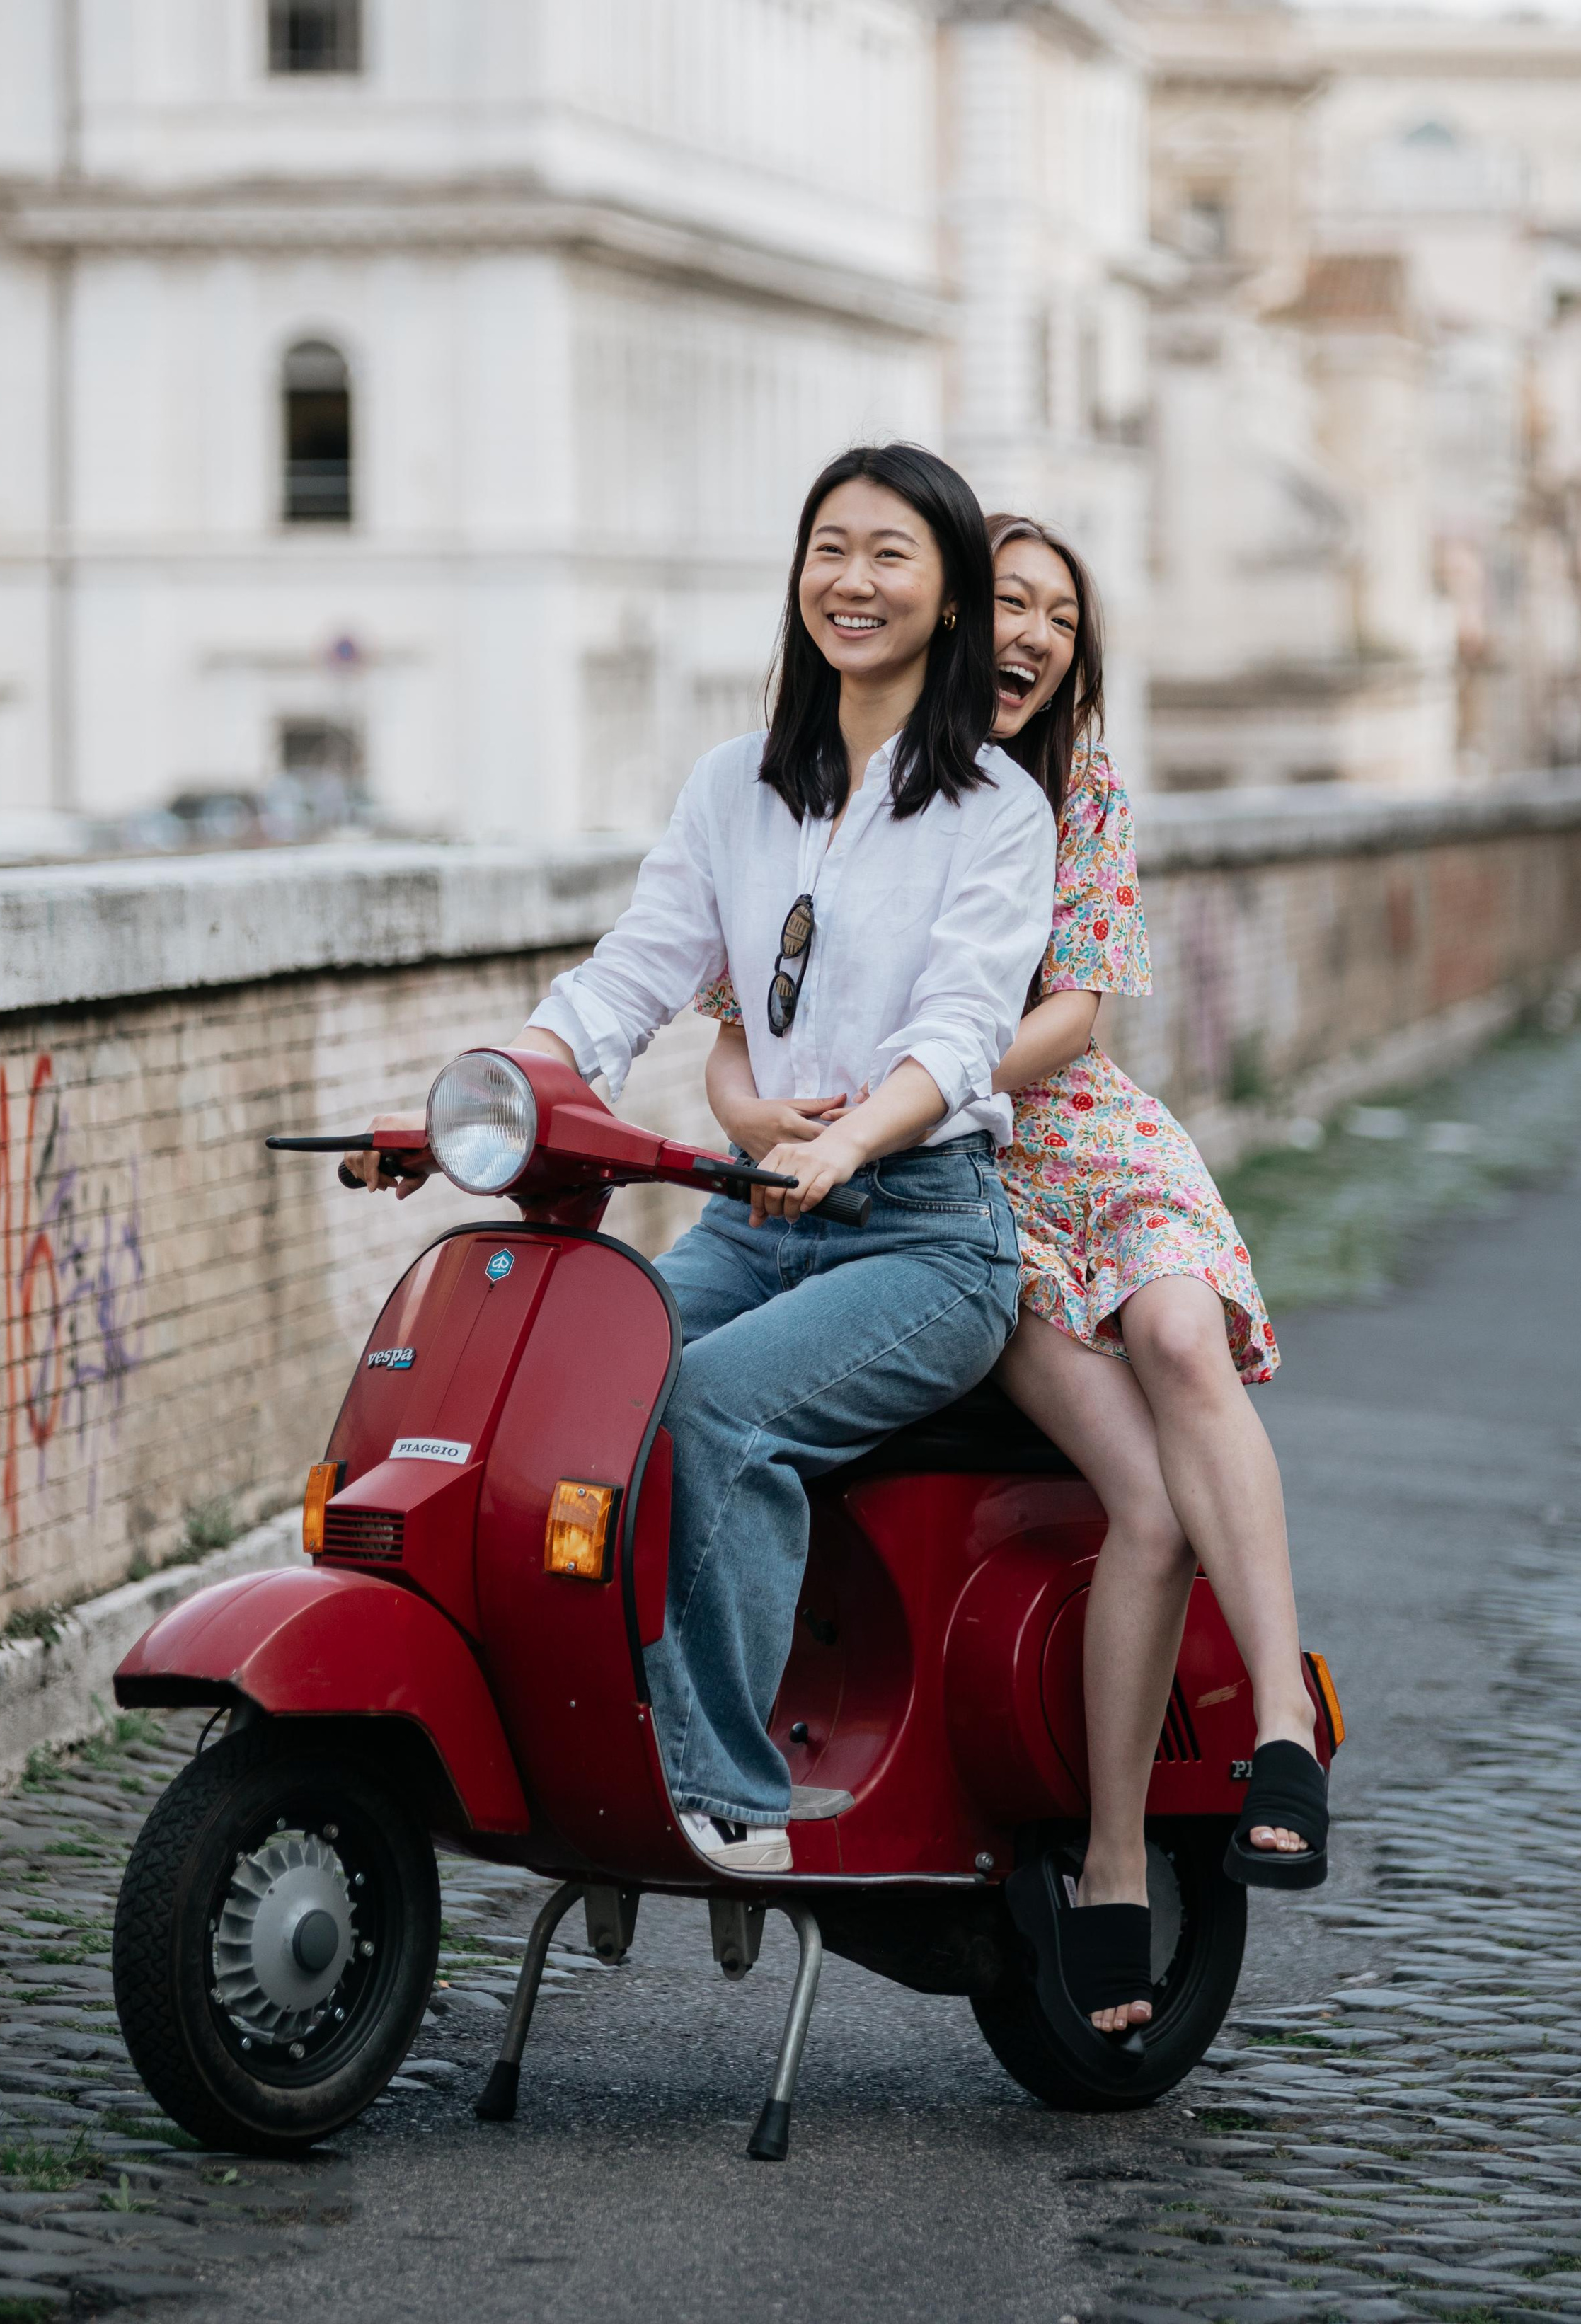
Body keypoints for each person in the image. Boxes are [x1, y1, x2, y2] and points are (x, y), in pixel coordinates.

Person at [354, 443, 1055, 1878]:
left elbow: (965, 1025)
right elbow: (629, 979)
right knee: (565, 1392)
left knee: (717, 1410)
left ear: (952, 596)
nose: (850, 582)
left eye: (889, 556)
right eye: (827, 550)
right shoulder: (735, 786)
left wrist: (852, 1136)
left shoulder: (996, 808)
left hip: (924, 1237)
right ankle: (570, 1731)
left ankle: (721, 1791)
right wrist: (480, 1103)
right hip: (757, 1222)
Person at [700, 512, 1325, 2021]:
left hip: (1069, 1138)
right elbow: (733, 1019)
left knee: (1181, 1338)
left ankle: (1285, 1722)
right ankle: (1113, 1860)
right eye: (1011, 604)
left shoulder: (1075, 783)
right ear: (956, 620)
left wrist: (927, 1071)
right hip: (950, 1191)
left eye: (1059, 614)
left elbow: (1078, 1009)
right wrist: (756, 1113)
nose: (1034, 634)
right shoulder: (840, 783)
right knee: (1139, 1505)